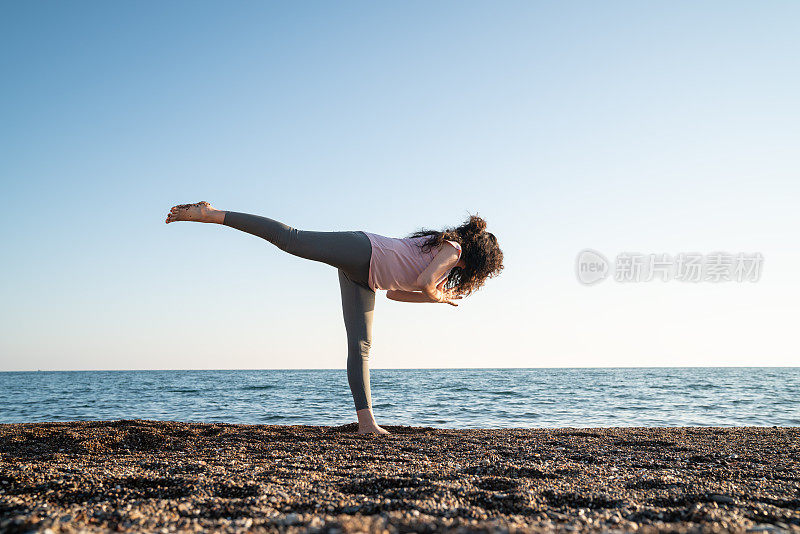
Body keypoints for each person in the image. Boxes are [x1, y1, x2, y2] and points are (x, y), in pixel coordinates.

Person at [166, 201, 504, 434]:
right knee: (291, 239)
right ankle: (210, 214)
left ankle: (366, 422)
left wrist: (437, 299)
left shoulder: (441, 266)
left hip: (366, 278)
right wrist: (438, 295)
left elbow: (397, 293)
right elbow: (424, 284)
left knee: (361, 345)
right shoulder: (452, 249)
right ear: (479, 261)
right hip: (364, 249)